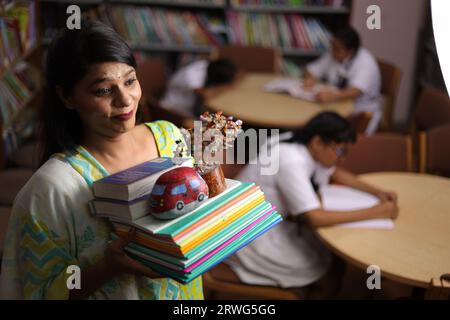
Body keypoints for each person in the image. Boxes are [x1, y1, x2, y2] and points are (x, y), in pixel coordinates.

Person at [0, 20, 203, 300]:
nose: (125, 100)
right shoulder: (52, 188)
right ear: (67, 97)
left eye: (130, 81)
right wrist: (108, 267)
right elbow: (41, 293)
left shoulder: (170, 139)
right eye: (103, 90)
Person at [225, 112, 398, 299]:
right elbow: (314, 218)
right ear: (317, 143)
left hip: (263, 220)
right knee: (329, 275)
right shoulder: (290, 161)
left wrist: (377, 192)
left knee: (332, 258)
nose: (342, 158)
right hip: (248, 237)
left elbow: (334, 173)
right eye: (340, 151)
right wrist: (376, 212)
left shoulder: (297, 142)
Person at [303, 26, 382, 134]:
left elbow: (356, 91)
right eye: (332, 46)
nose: (332, 51)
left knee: (320, 131)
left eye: (337, 49)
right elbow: (311, 69)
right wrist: (310, 78)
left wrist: (332, 96)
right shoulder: (333, 55)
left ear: (351, 50)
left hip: (360, 111)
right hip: (335, 106)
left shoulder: (365, 62)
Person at [159, 58, 238, 126]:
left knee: (219, 121)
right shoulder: (192, 77)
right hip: (174, 110)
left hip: (192, 108)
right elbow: (206, 95)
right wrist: (225, 87)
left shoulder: (208, 66)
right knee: (213, 127)